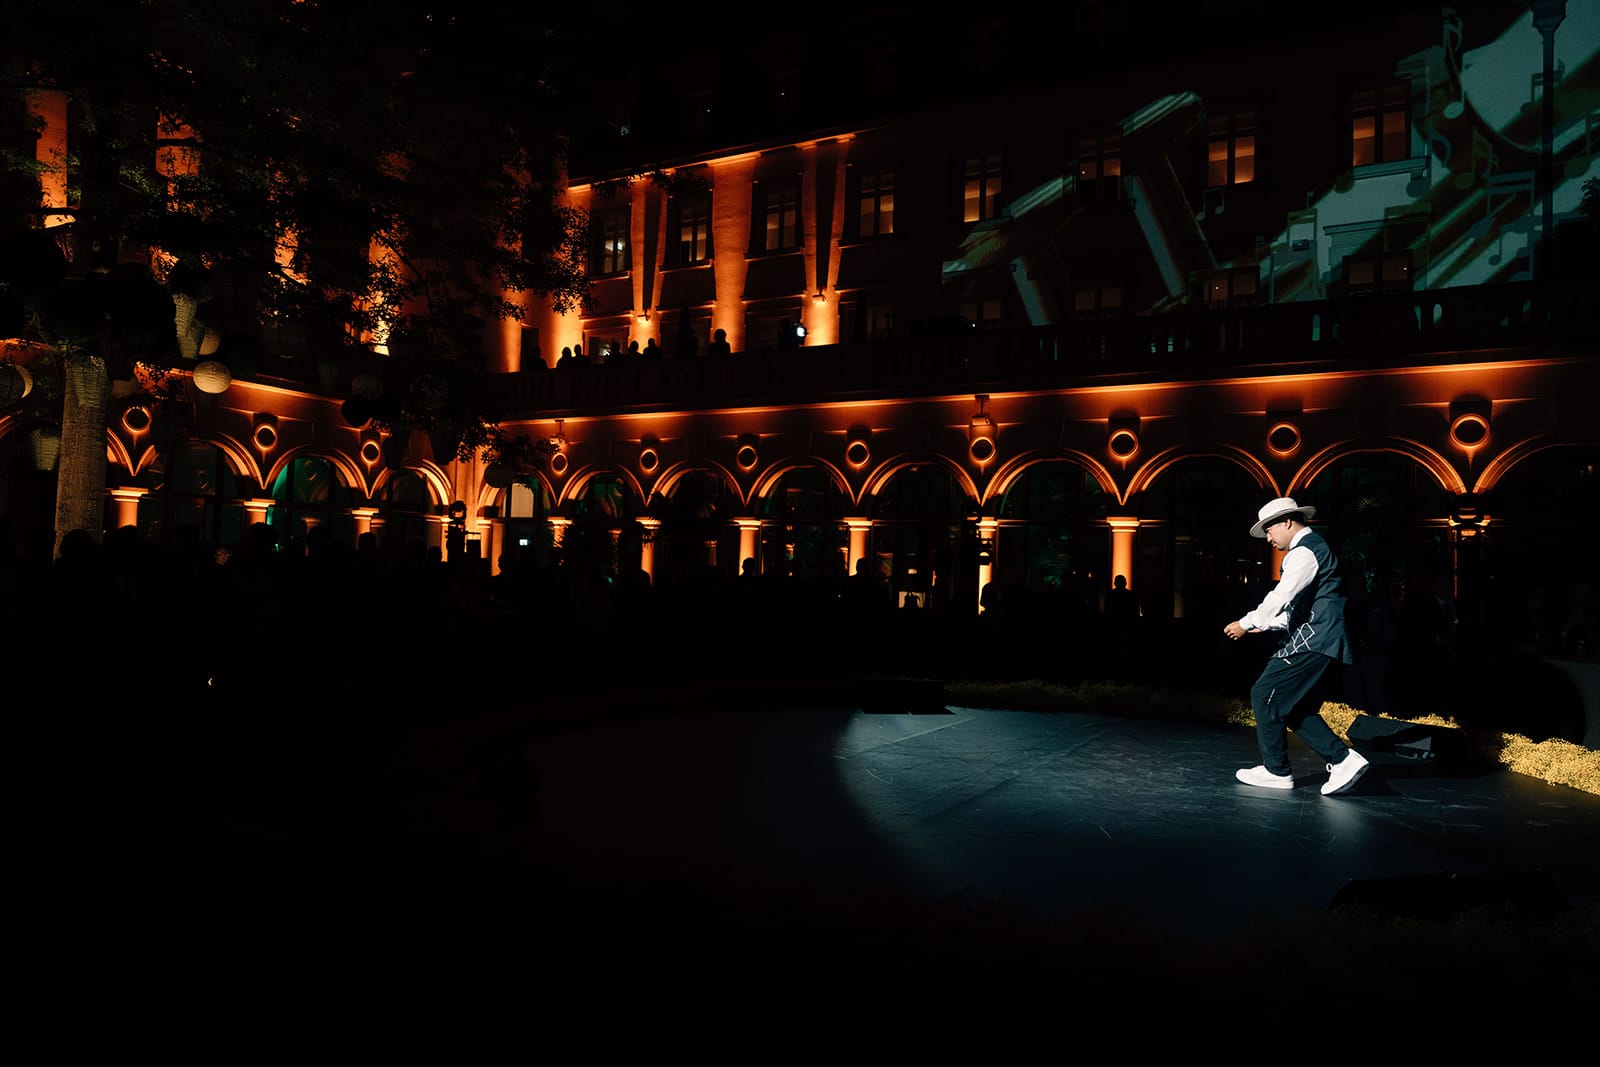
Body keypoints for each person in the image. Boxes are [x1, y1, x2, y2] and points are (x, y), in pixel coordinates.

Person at [1223, 496, 1369, 796]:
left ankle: (1277, 771)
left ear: (1287, 522)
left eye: (1269, 530)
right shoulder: (1313, 550)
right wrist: (1266, 624)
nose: (1268, 537)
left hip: (1312, 641)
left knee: (1264, 695)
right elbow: (1300, 607)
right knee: (1293, 707)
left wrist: (1247, 622)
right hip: (1321, 639)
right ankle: (1342, 760)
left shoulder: (1304, 552)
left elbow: (1282, 595)